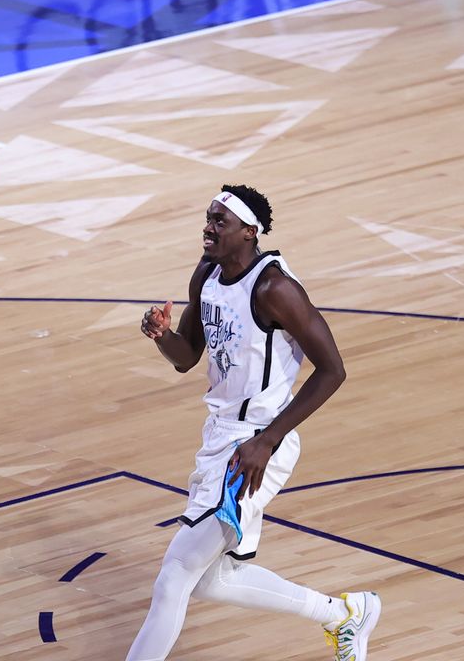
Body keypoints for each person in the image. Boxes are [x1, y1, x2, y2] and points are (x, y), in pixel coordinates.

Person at [127, 185, 381, 661]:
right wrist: (162, 335)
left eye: (219, 221)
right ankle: (344, 615)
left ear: (249, 232)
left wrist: (268, 439)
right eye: (207, 218)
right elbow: (187, 356)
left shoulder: (275, 288)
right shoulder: (207, 275)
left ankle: (347, 616)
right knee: (213, 580)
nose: (208, 227)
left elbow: (333, 370)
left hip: (260, 443)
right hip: (221, 438)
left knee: (174, 576)